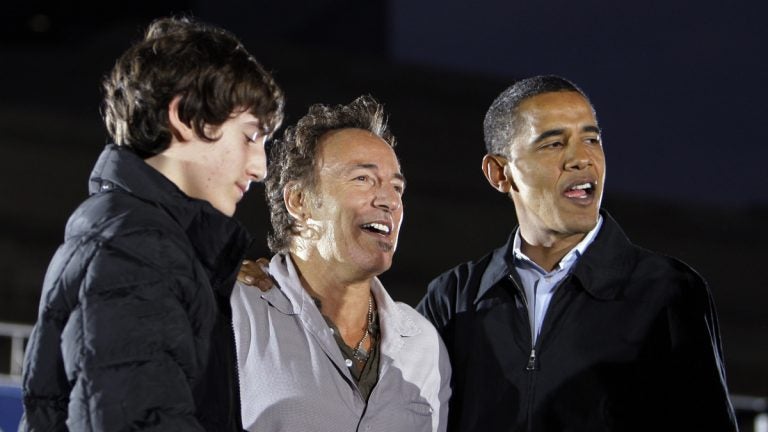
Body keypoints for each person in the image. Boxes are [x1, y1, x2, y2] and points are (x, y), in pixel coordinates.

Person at [416, 75, 738, 431]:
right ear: (500, 173)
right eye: (554, 144)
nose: (582, 158)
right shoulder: (453, 299)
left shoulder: (667, 292)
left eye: (591, 139)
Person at [20, 16, 283, 431]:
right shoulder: (137, 249)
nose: (261, 167)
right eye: (250, 136)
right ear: (184, 117)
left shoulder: (134, 237)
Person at [231, 96, 451, 431]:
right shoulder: (233, 311)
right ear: (299, 200)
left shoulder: (424, 344)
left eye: (397, 187)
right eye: (363, 179)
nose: (389, 200)